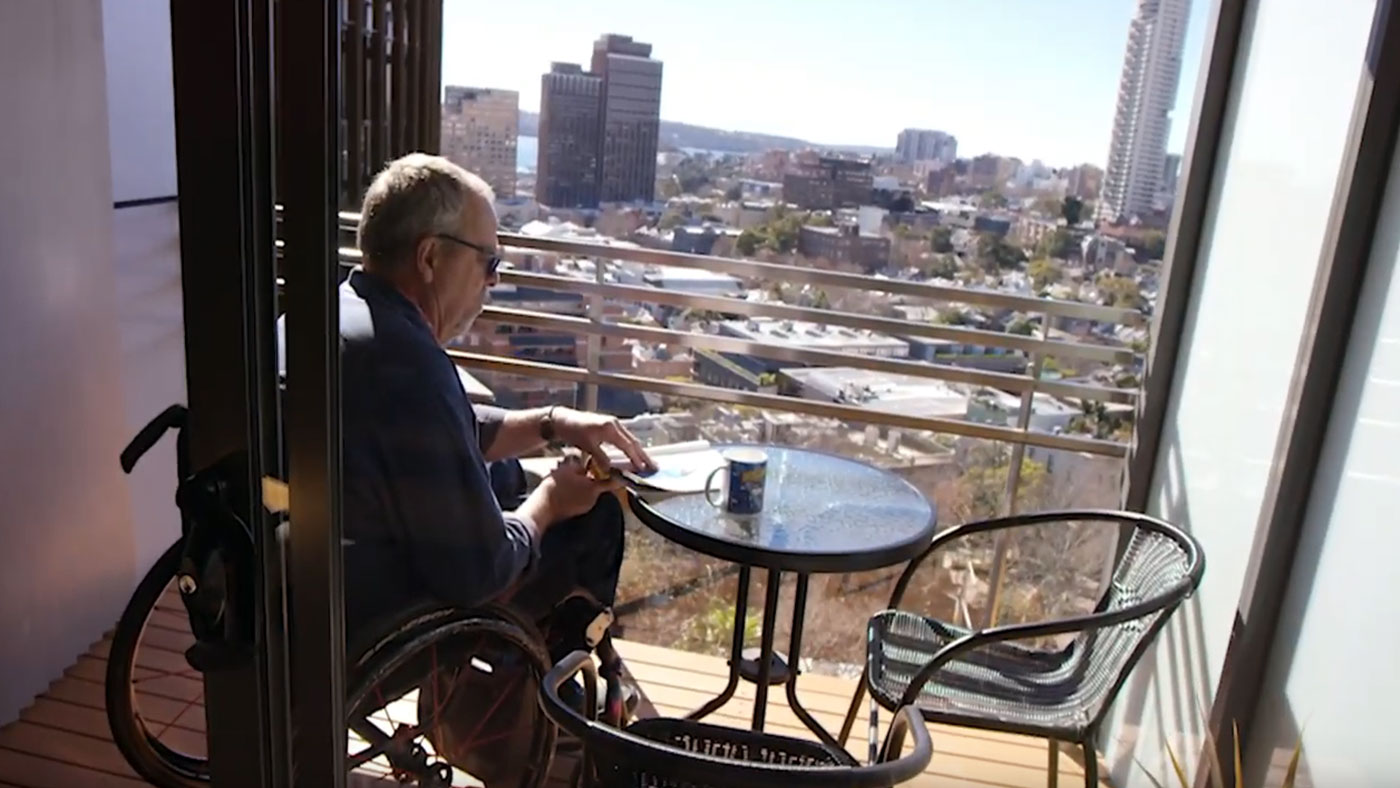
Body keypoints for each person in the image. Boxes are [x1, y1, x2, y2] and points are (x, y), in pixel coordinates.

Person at [336, 152, 654, 660]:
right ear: (430, 257)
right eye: (489, 262)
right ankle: (543, 708)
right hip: (380, 628)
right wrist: (550, 500)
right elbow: (482, 568)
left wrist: (552, 423)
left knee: (505, 475)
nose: (494, 281)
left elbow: (440, 433)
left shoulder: (341, 318)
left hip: (313, 587)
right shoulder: (410, 364)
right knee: (590, 520)